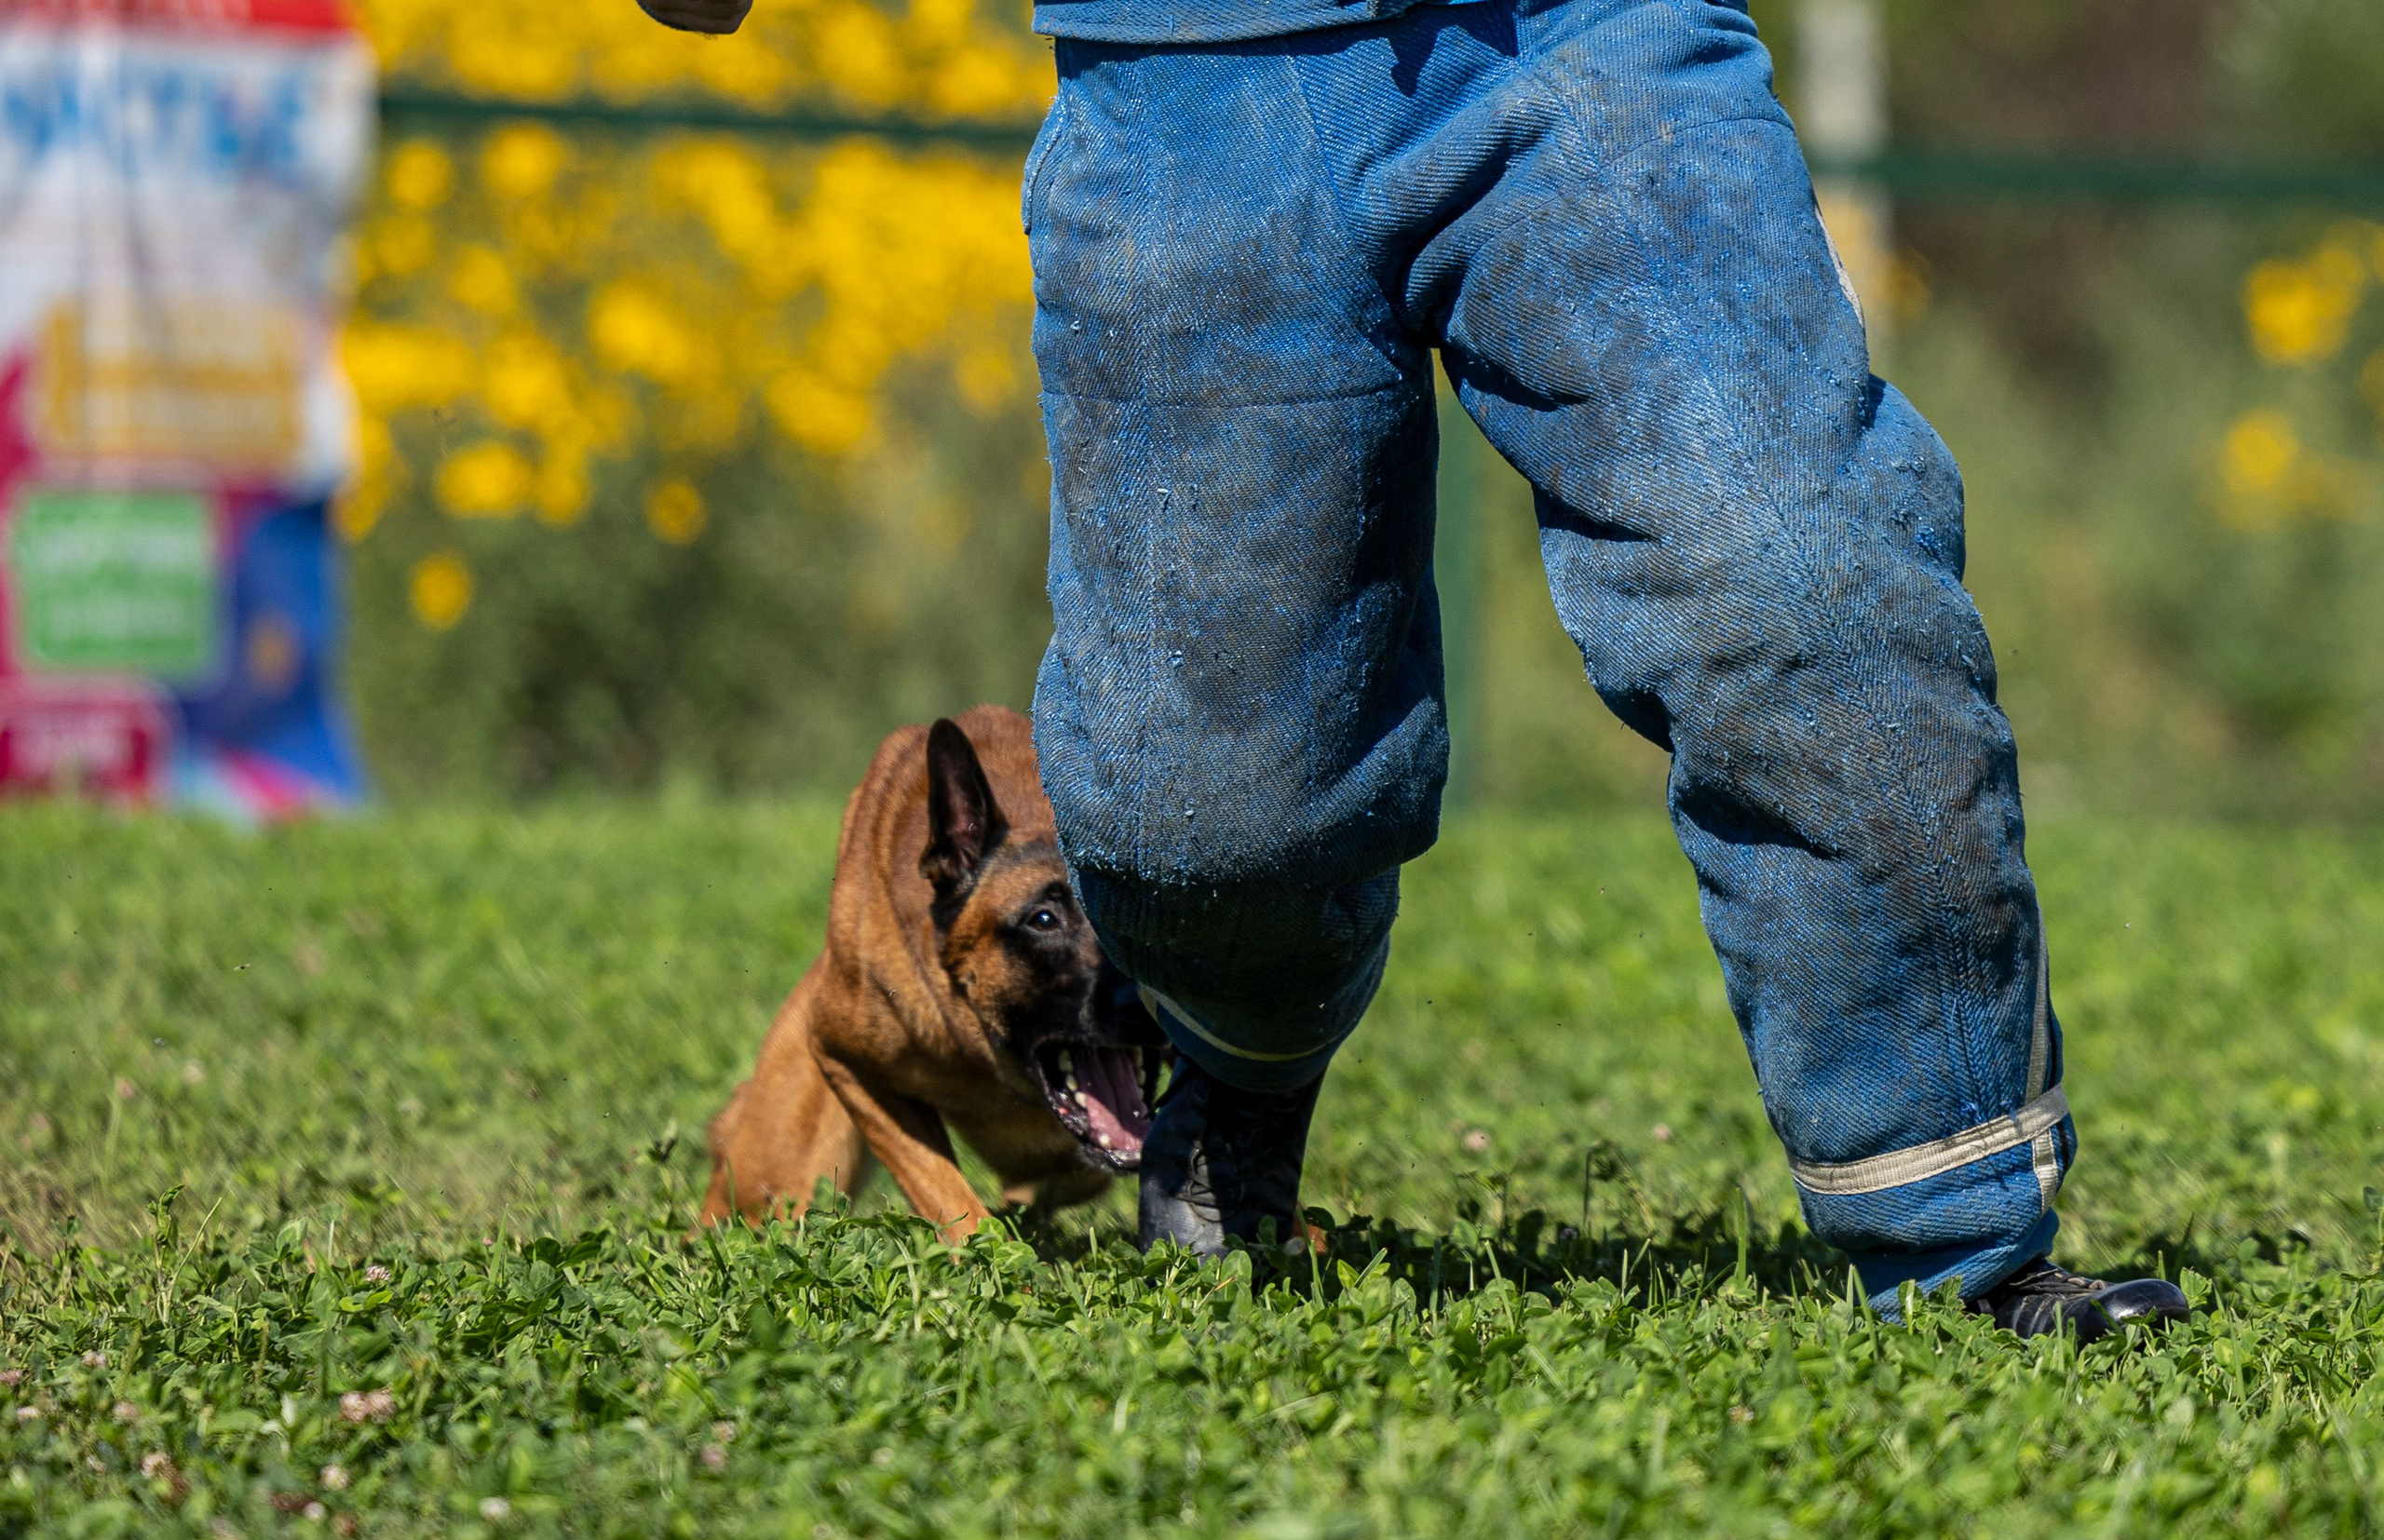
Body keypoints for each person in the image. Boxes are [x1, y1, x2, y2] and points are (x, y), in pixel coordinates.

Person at [640, 0, 2188, 1342]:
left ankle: (1964, 1244)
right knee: (1203, 822)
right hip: (1196, 74)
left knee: (1795, 573)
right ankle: (1235, 1087)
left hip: (1592, 39)